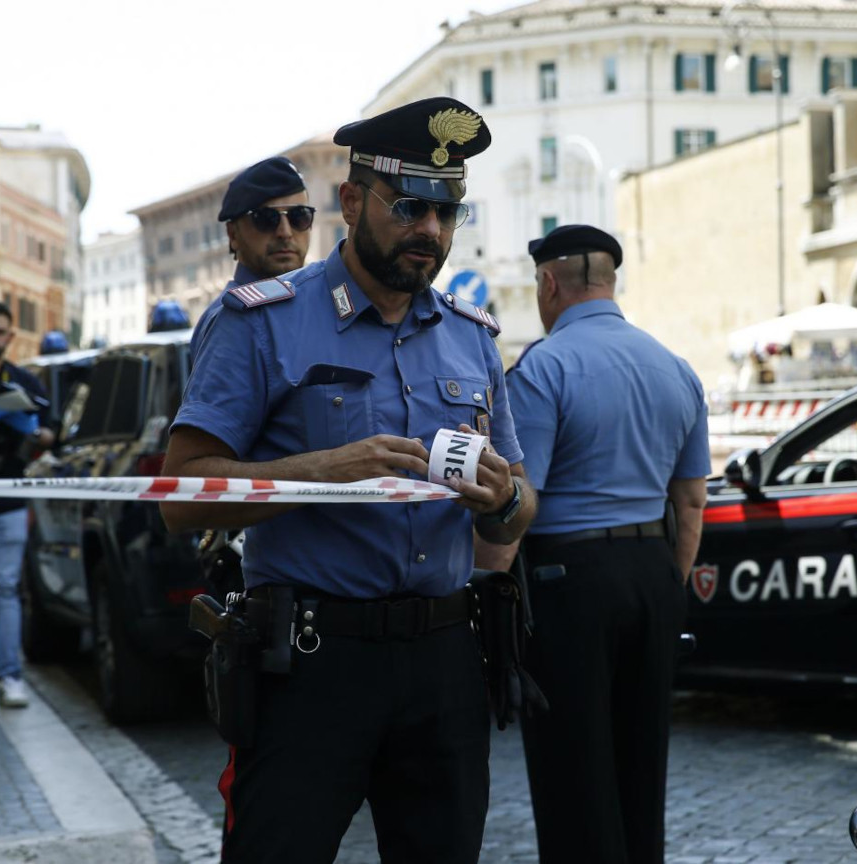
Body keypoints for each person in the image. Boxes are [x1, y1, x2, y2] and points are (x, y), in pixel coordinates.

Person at [159, 96, 536, 864]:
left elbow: (518, 508)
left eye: (447, 211)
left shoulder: (473, 341)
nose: (429, 230)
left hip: (444, 662)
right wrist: (322, 473)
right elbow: (181, 498)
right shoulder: (261, 321)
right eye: (409, 207)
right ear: (354, 201)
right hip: (311, 664)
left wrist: (502, 502)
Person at [477, 225, 711, 864]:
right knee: (643, 764)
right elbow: (691, 501)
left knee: (572, 772)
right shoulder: (676, 367)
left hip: (567, 577)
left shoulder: (545, 367)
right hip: (653, 573)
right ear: (610, 281)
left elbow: (520, 501)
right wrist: (670, 582)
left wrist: (487, 592)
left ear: (549, 284)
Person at [0, 301, 55, 708]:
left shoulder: (25, 381)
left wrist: (36, 433)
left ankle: (8, 677)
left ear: (10, 336)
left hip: (4, 502)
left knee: (2, 590)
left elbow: (52, 433)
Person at [193, 155, 313, 346]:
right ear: (233, 235)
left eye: (299, 216)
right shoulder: (230, 322)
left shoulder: (318, 303)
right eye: (266, 218)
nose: (285, 232)